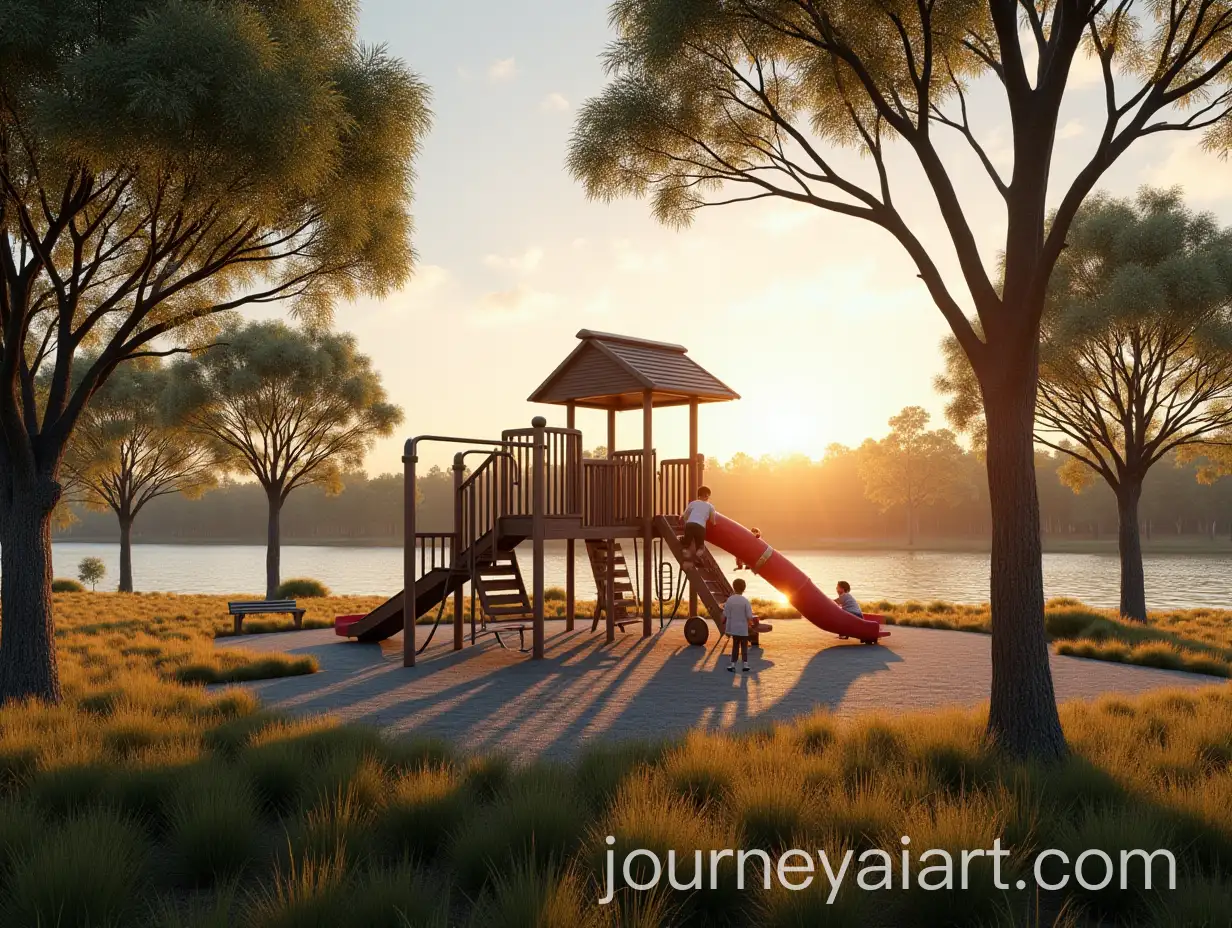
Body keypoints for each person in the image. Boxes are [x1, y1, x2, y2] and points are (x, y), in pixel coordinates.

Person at [724, 578, 754, 672]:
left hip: (734, 628)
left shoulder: (730, 600)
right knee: (744, 647)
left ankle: (732, 665)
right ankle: (745, 665)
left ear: (733, 587)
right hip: (743, 629)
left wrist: (727, 628)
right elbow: (749, 615)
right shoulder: (745, 601)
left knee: (735, 646)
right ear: (744, 588)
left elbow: (726, 614)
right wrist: (750, 625)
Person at [680, 486, 715, 564]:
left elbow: (685, 515)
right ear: (707, 495)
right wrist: (714, 523)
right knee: (701, 547)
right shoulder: (710, 506)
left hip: (690, 525)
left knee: (686, 544)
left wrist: (686, 523)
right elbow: (712, 520)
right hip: (700, 527)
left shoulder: (693, 503)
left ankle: (684, 550)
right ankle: (696, 557)